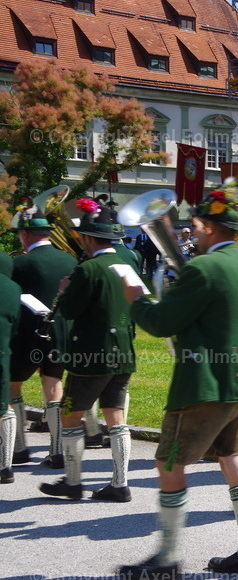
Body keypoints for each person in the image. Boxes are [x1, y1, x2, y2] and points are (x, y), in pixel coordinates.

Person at [116, 179, 238, 580]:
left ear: (212, 228)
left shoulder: (202, 267)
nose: (192, 231)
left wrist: (137, 298)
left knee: (168, 462)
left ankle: (166, 558)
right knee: (233, 459)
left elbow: (161, 322)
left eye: (197, 225)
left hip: (205, 385)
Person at [39, 199, 136, 502]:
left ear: (90, 238)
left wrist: (64, 290)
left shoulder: (88, 269)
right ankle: (119, 483)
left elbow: (69, 310)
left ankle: (72, 481)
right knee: (116, 416)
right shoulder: (127, 264)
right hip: (123, 351)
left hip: (91, 354)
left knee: (70, 415)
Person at [7, 198, 77, 469]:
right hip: (61, 334)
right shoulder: (70, 260)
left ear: (25, 234)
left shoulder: (21, 264)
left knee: (13, 386)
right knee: (54, 386)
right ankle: (57, 450)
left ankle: (18, 447)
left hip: (28, 335)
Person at [0, 270, 21, 484]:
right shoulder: (13, 288)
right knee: (4, 405)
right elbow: (15, 326)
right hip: (2, 352)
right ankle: (5, 466)